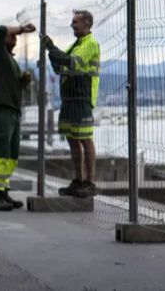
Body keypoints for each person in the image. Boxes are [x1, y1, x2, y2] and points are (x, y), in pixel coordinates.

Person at [43, 10, 101, 198]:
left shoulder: (90, 44)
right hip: (69, 99)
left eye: (75, 22)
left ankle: (90, 182)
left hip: (82, 97)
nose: (72, 25)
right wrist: (52, 51)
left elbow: (71, 63)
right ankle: (77, 180)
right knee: (72, 139)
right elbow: (59, 66)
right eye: (72, 22)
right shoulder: (75, 45)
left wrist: (51, 48)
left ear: (87, 24)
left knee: (85, 138)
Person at [0, 22, 36, 211]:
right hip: (0, 110)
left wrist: (22, 81)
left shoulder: (9, 59)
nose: (15, 38)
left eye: (16, 36)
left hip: (12, 110)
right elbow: (0, 30)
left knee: (10, 155)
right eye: (12, 36)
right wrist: (22, 29)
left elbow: (9, 85)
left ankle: (3, 191)